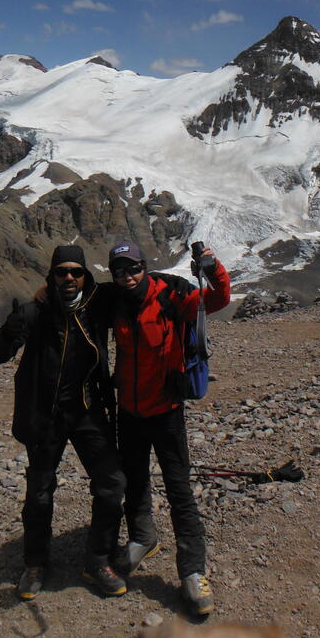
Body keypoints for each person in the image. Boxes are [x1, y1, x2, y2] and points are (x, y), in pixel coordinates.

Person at [0, 244, 127, 601]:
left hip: (87, 411)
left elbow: (136, 285)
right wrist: (11, 328)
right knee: (40, 491)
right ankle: (35, 563)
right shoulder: (35, 313)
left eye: (75, 272)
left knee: (112, 483)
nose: (68, 277)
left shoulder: (98, 307)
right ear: (51, 275)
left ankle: (98, 559)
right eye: (61, 271)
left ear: (85, 276)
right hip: (45, 416)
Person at [107, 241, 231, 616]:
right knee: (135, 480)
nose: (127, 277)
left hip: (166, 410)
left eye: (133, 269)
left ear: (144, 267)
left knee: (179, 489)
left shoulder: (172, 294)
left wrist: (211, 266)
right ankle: (143, 538)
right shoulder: (111, 300)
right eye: (120, 271)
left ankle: (192, 570)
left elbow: (218, 299)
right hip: (128, 411)